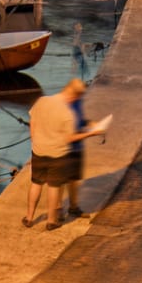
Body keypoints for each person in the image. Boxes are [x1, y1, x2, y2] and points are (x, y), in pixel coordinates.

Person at [24, 79, 102, 229]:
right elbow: (70, 138)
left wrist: (34, 139)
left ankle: (29, 218)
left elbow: (32, 120)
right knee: (54, 187)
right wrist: (92, 133)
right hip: (57, 155)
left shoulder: (42, 101)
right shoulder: (67, 113)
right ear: (74, 96)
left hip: (38, 150)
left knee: (36, 184)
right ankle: (51, 221)